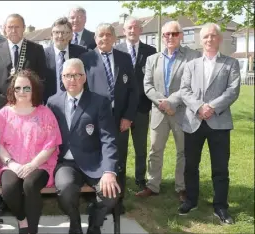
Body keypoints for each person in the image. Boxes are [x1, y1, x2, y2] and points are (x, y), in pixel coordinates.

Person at [47, 58, 119, 234]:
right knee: (65, 189)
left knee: (111, 195)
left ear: (84, 77)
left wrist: (109, 171)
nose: (72, 80)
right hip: (66, 163)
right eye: (68, 76)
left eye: (77, 75)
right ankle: (75, 223)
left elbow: (108, 138)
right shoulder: (53, 102)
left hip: (95, 161)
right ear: (62, 78)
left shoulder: (99, 102)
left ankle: (94, 226)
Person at [178, 23, 241, 225]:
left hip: (219, 122)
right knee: (191, 166)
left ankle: (220, 206)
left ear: (220, 39)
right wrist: (199, 107)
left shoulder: (231, 64)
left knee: (220, 167)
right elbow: (185, 90)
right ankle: (191, 200)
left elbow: (233, 90)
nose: (209, 40)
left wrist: (211, 107)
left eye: (213, 36)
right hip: (194, 122)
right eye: (205, 37)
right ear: (200, 40)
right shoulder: (191, 65)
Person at [138, 21, 201, 201]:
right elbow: (148, 86)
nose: (170, 37)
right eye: (166, 34)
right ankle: (152, 185)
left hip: (182, 112)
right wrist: (163, 103)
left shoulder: (192, 57)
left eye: (174, 34)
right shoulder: (152, 59)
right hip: (159, 112)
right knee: (155, 149)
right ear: (162, 37)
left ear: (181, 35)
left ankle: (182, 187)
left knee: (183, 151)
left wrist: (172, 102)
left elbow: (191, 85)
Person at [80, 23, 138, 212]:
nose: (104, 38)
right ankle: (96, 197)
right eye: (100, 35)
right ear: (95, 39)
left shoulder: (124, 58)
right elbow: (82, 91)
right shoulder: (85, 59)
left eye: (108, 35)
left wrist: (128, 116)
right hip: (95, 119)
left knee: (119, 158)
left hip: (120, 118)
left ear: (114, 38)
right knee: (96, 157)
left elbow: (133, 90)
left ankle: (118, 200)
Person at [0, 69, 62, 234]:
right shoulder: (3, 114)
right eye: (18, 88)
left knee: (30, 185)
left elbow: (51, 144)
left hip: (40, 164)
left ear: (34, 89)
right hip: (10, 164)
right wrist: (12, 164)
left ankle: (30, 231)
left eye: (27, 88)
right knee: (9, 188)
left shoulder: (45, 113)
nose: (22, 92)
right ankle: (21, 219)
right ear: (12, 90)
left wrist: (32, 165)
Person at [114, 17, 157, 190]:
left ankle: (140, 178)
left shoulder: (150, 51)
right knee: (120, 147)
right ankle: (120, 176)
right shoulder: (116, 50)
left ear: (141, 30)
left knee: (140, 146)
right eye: (129, 28)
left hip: (141, 107)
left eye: (136, 27)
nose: (132, 30)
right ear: (124, 31)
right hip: (121, 110)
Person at [0, 14, 47, 113]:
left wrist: (29, 100)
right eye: (10, 27)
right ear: (5, 29)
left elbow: (41, 78)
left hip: (28, 107)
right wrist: (4, 103)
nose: (13, 31)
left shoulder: (36, 49)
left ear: (24, 28)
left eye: (17, 27)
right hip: (1, 108)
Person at [44, 17, 87, 102]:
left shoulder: (82, 53)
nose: (60, 36)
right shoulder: (42, 54)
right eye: (56, 32)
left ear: (71, 35)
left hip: (77, 102)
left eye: (64, 33)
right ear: (51, 36)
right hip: (50, 103)